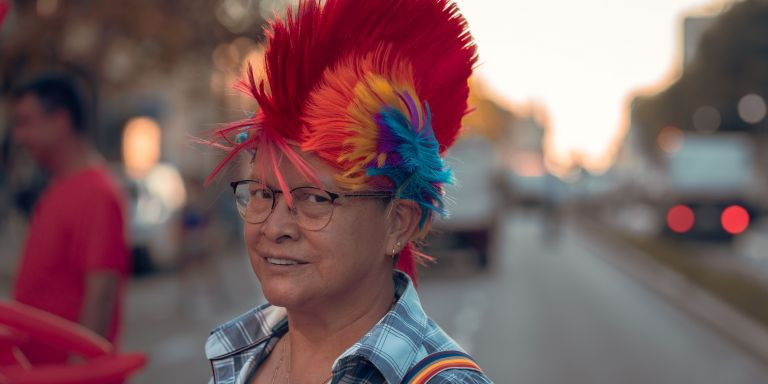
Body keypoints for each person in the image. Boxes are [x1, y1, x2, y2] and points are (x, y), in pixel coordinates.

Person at [202, 0, 492, 382]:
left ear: (397, 224)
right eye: (261, 193)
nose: (274, 228)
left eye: (314, 199)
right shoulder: (238, 357)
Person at [11, 73, 130, 364]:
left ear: (60, 121)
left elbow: (100, 295)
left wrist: (79, 373)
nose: (19, 136)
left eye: (26, 122)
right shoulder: (59, 186)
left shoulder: (97, 192)